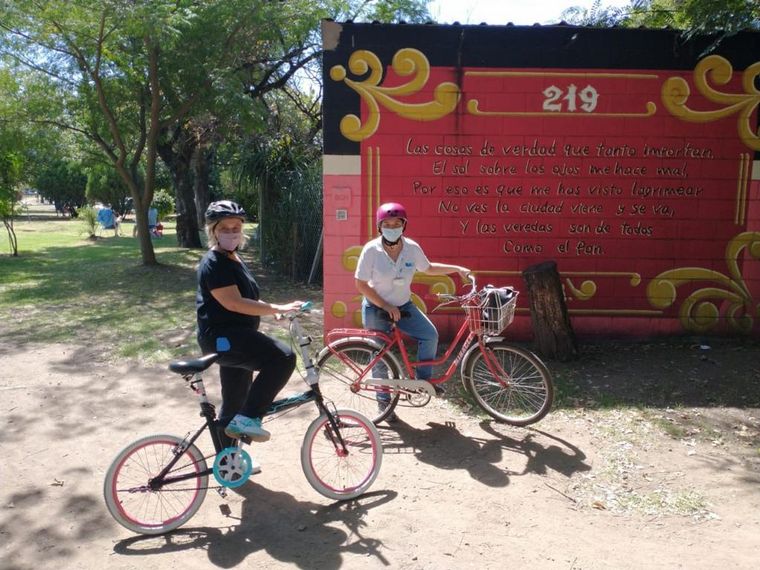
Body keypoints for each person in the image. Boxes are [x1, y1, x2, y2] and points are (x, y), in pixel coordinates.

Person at [196, 200, 303, 443]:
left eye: (236, 228)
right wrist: (275, 307)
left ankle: (228, 463)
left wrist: (270, 310)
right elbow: (233, 302)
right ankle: (249, 419)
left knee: (236, 400)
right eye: (225, 228)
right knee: (283, 357)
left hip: (234, 339)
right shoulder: (214, 262)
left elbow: (247, 297)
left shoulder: (233, 257)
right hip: (224, 339)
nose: (232, 233)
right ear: (213, 230)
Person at [354, 202, 471, 421]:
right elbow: (360, 284)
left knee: (429, 335)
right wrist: (385, 306)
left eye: (396, 223)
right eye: (387, 224)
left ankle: (421, 383)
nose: (392, 227)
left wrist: (456, 269)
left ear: (403, 225)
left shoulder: (411, 248)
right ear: (380, 227)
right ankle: (384, 405)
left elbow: (428, 268)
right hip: (375, 308)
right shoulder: (371, 250)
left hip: (404, 305)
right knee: (380, 356)